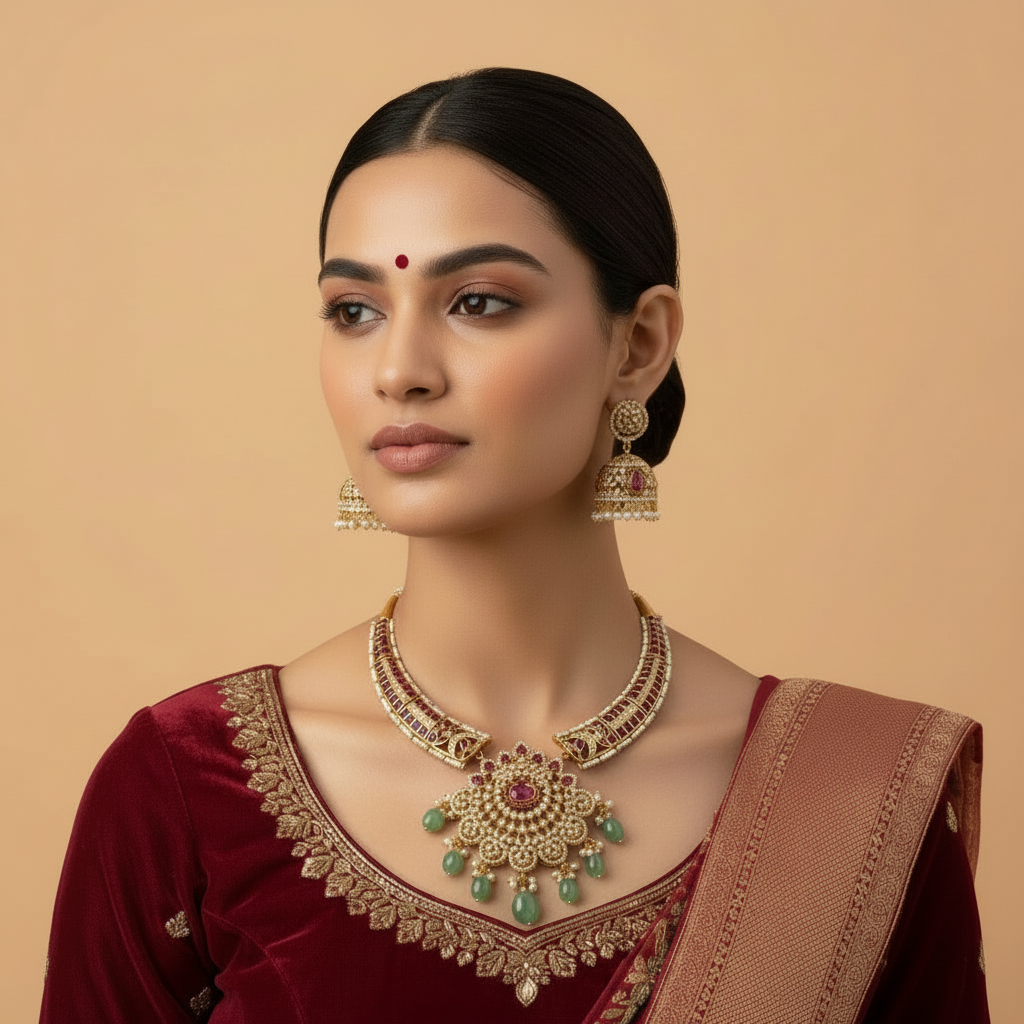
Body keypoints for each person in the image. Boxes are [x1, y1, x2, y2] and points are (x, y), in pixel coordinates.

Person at [39, 68, 988, 1023]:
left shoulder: (856, 805)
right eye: (354, 312)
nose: (400, 371)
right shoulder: (187, 789)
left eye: (480, 302)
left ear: (640, 345)